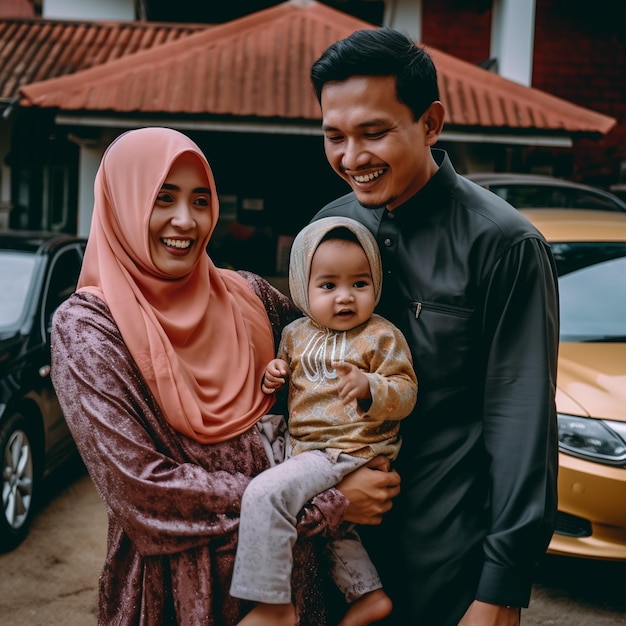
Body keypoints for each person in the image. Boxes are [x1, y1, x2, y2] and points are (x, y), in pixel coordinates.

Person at [50, 127, 399, 626]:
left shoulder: (253, 298)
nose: (185, 221)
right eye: (162, 198)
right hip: (178, 593)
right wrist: (330, 504)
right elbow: (145, 494)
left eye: (200, 200)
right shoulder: (88, 328)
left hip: (300, 588)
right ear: (121, 203)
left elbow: (345, 365)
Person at [310, 27, 560, 626]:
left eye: (373, 132)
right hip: (340, 558)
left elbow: (520, 421)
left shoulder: (505, 244)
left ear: (430, 123)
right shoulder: (327, 230)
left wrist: (501, 587)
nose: (351, 158)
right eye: (334, 136)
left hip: (452, 566)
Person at [229, 217, 417, 626]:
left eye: (360, 284)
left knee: (264, 494)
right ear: (302, 287)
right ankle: (368, 593)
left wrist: (370, 386)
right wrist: (272, 374)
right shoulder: (295, 334)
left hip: (350, 448)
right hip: (307, 447)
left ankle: (273, 604)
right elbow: (287, 386)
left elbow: (406, 393)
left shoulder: (382, 335)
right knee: (336, 530)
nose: (345, 298)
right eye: (328, 285)